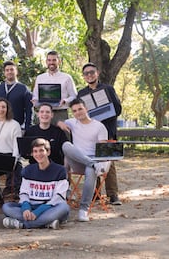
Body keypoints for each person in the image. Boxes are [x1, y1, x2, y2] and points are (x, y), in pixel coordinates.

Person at [58, 98, 111, 222]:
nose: (78, 112)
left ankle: (83, 210)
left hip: (95, 160)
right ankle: (91, 164)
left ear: (86, 108)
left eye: (80, 109)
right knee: (66, 145)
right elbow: (58, 121)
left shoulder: (99, 126)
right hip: (78, 162)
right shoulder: (71, 122)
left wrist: (95, 163)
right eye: (75, 111)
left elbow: (103, 150)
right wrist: (60, 124)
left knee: (91, 169)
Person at [78, 62, 122, 205]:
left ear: (97, 73)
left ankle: (113, 195)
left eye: (92, 72)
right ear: (84, 77)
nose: (89, 75)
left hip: (107, 131)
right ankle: (95, 193)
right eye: (86, 73)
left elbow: (118, 109)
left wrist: (106, 112)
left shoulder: (108, 88)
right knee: (91, 161)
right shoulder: (81, 94)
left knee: (109, 163)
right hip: (90, 133)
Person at [2, 138, 70, 229]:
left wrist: (38, 212)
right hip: (31, 206)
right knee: (6, 207)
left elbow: (58, 197)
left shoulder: (60, 171)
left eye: (41, 151)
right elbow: (24, 193)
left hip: (49, 208)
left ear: (48, 152)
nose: (38, 154)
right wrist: (26, 208)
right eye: (35, 151)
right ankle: (46, 223)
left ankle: (23, 224)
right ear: (32, 154)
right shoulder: (28, 170)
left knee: (64, 207)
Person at [32, 51, 77, 124]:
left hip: (60, 113)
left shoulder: (67, 77)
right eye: (49, 60)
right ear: (46, 62)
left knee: (63, 135)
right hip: (44, 114)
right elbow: (35, 95)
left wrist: (65, 101)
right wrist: (35, 101)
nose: (51, 62)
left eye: (54, 60)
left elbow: (74, 96)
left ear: (59, 61)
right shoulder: (40, 78)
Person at [0, 60, 33, 130]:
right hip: (0, 127)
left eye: (12, 69)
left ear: (16, 71)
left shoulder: (24, 89)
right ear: (4, 73)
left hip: (18, 127)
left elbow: (29, 110)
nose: (9, 72)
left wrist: (26, 127)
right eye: (7, 70)